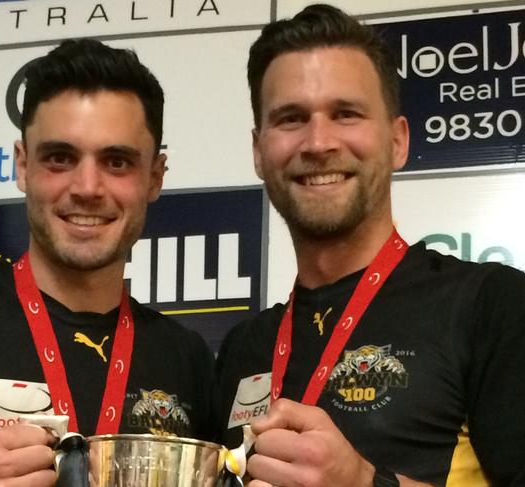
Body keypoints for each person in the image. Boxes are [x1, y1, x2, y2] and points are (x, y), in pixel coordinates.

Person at [0, 38, 216, 486]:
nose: (87, 187)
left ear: (155, 176)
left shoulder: (187, 357)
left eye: (117, 161)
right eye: (60, 157)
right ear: (21, 165)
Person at [216, 4, 525, 486]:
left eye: (346, 113)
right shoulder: (244, 348)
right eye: (291, 118)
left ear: (398, 140)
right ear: (259, 151)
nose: (318, 142)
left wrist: (364, 482)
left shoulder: (494, 306)